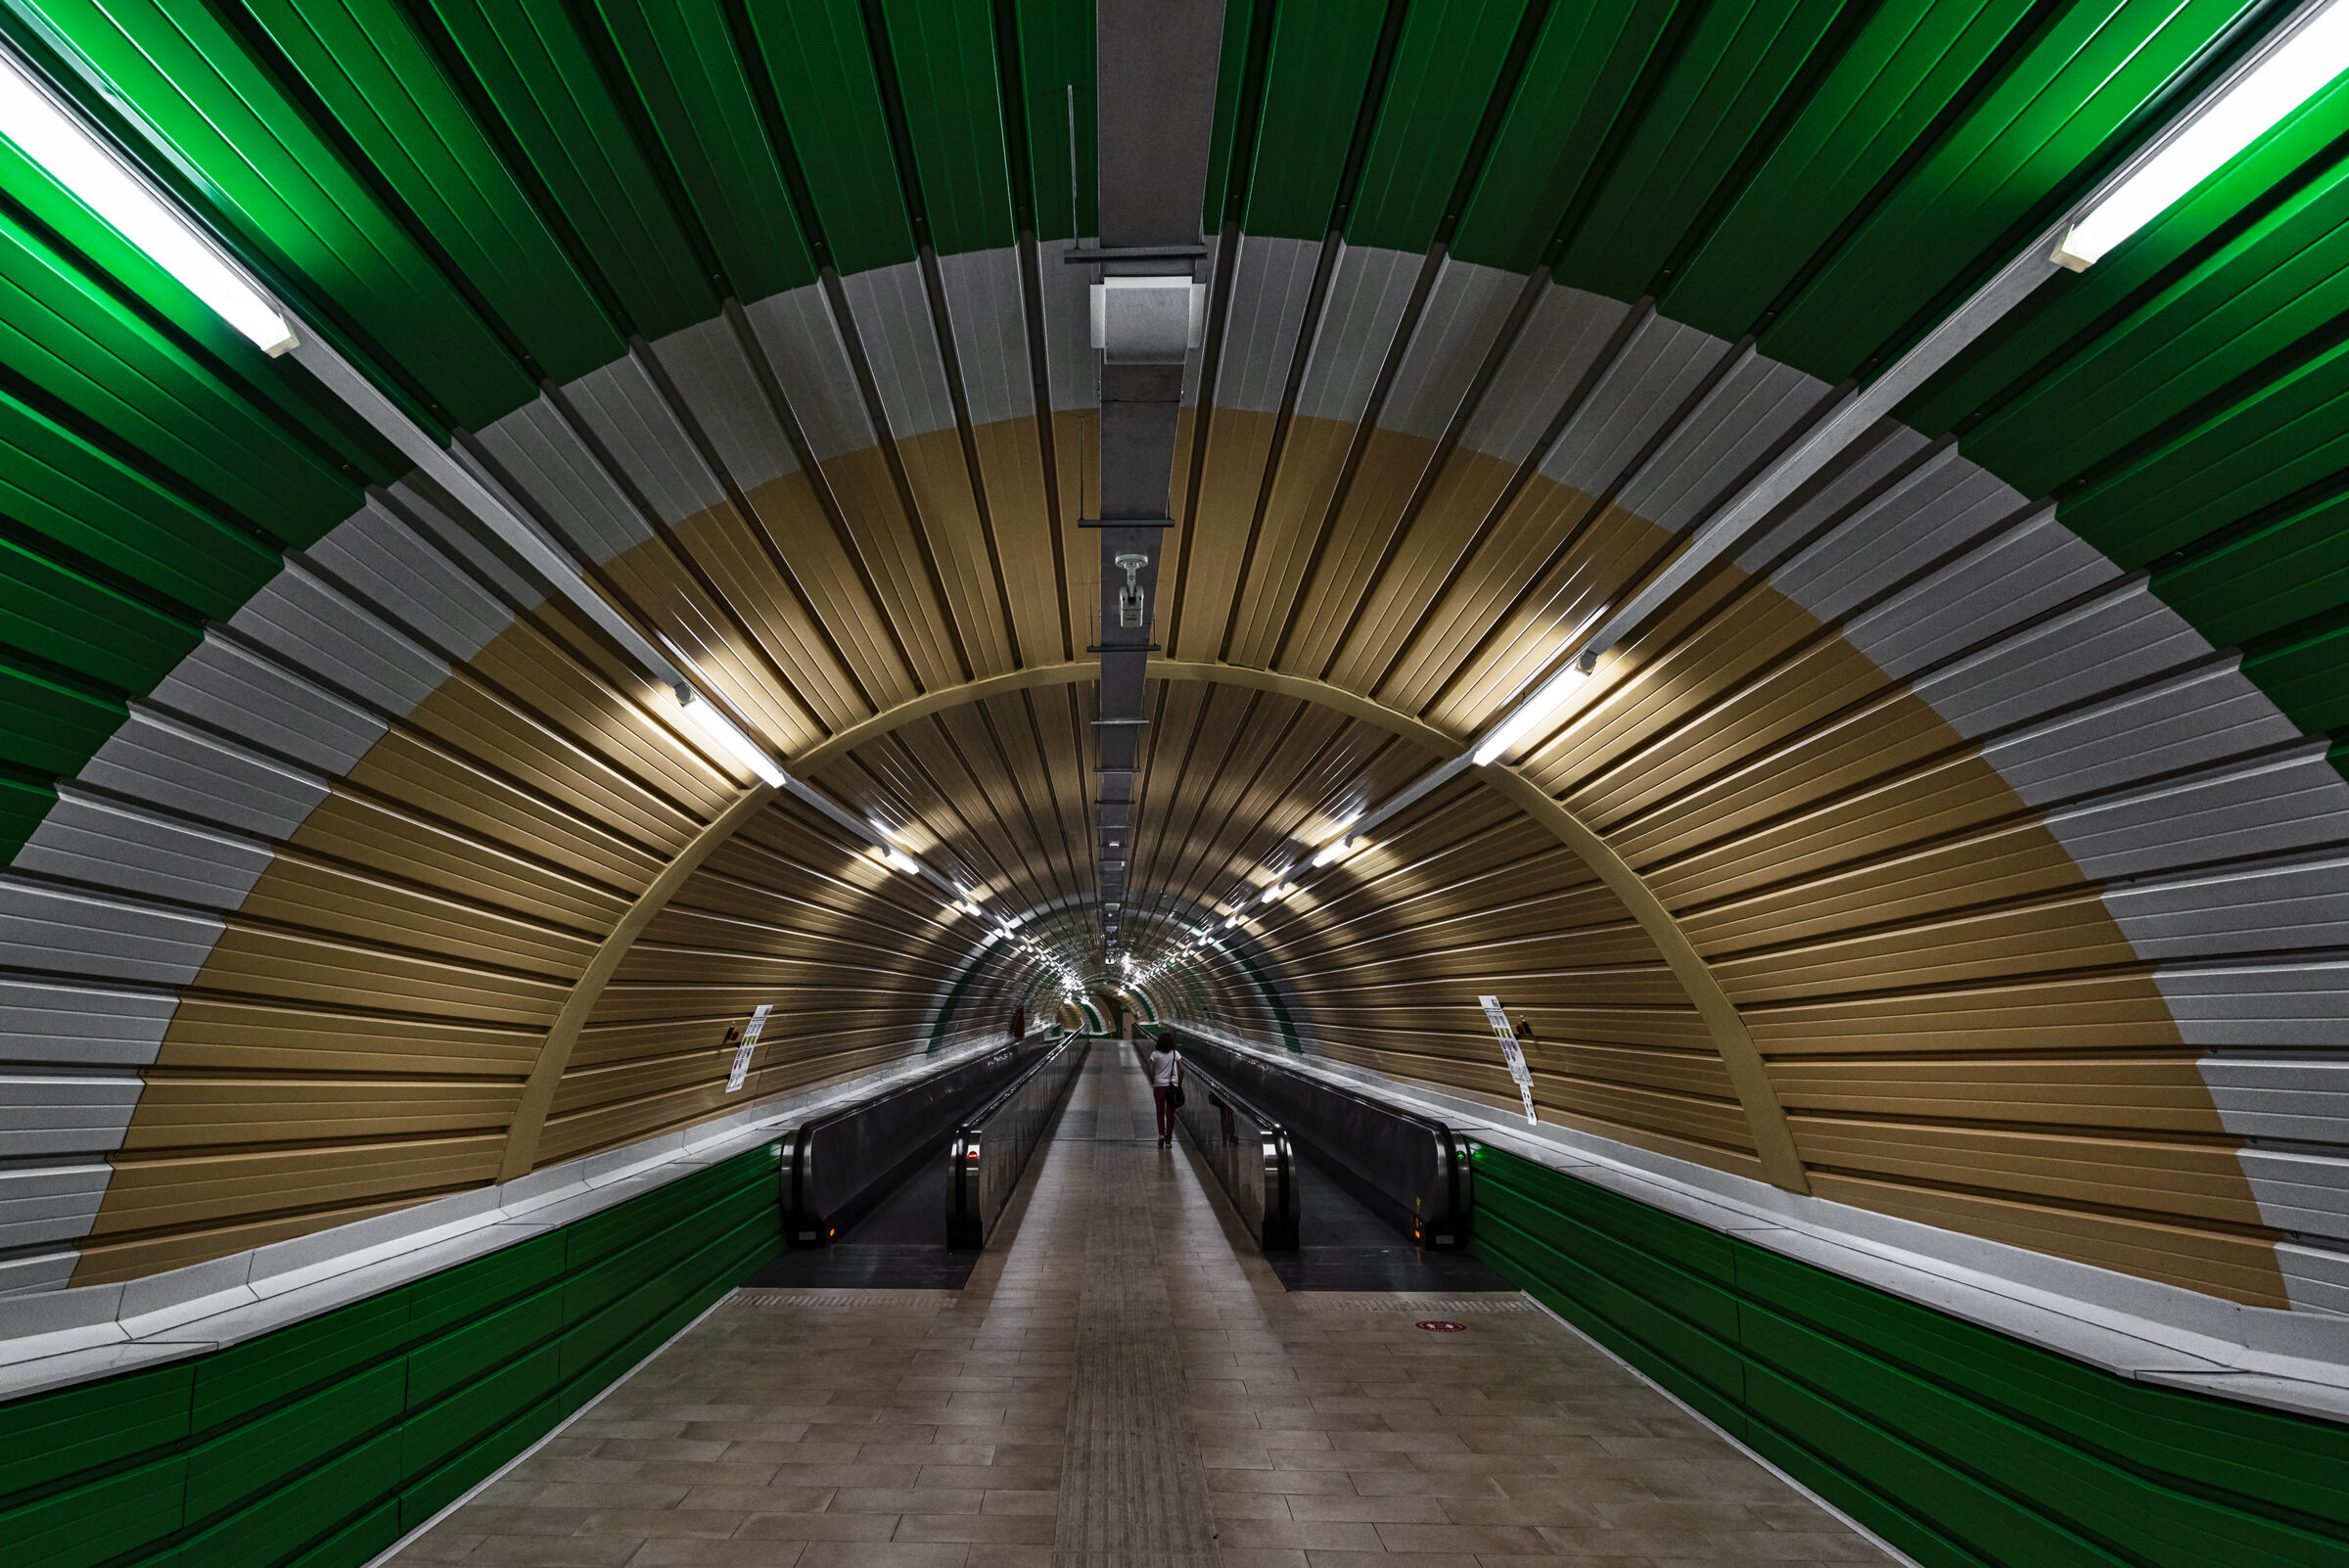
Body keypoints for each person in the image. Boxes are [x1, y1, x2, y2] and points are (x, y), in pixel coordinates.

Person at [1146, 1034, 1183, 1146]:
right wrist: (1179, 1084)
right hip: (1172, 1085)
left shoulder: (1155, 1054)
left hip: (1159, 1085)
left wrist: (1153, 1079)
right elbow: (1181, 1069)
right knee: (1170, 1113)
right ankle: (1168, 1140)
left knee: (1160, 1111)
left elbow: (1150, 1067)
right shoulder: (1175, 1053)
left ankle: (1161, 1134)